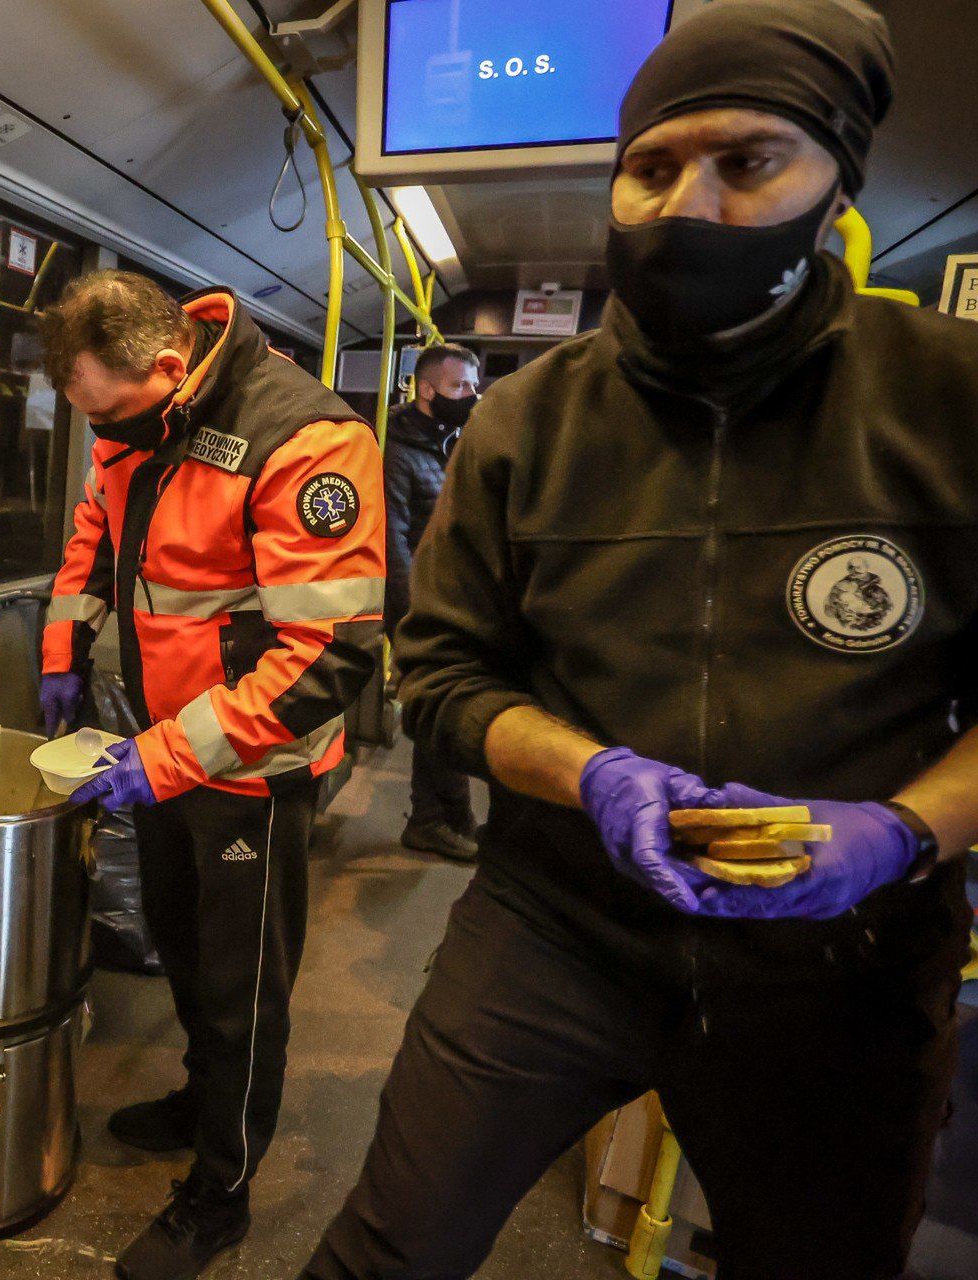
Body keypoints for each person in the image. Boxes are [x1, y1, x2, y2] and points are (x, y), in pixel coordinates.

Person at [302, 3, 978, 1278]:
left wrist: (903, 831)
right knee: (386, 1249)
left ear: (841, 181)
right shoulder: (529, 424)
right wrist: (591, 774)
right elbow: (441, 673)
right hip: (558, 925)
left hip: (846, 962)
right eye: (654, 167)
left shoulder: (949, 400)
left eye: (748, 161)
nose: (688, 206)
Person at [36, 271, 385, 1280]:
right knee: (183, 946)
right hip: (162, 753)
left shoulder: (307, 441)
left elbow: (327, 656)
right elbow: (95, 534)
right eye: (89, 418)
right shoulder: (131, 419)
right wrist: (66, 651)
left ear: (167, 366)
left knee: (242, 985)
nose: (106, 434)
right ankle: (202, 1096)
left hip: (250, 767)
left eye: (113, 413)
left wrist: (161, 755)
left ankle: (221, 1191)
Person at [384, 343, 481, 861]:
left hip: (448, 598)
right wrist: (409, 620)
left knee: (451, 702)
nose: (471, 395)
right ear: (426, 391)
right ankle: (429, 818)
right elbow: (393, 541)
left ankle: (454, 812)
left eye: (472, 385)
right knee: (440, 703)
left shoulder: (451, 440)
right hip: (417, 604)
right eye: (459, 386)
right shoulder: (397, 449)